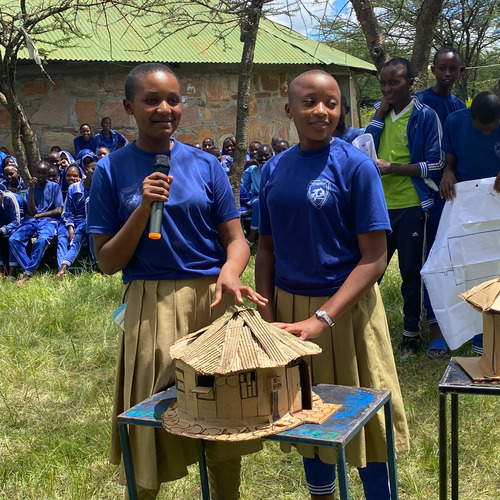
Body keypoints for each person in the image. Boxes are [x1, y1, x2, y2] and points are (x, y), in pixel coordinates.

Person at [87, 62, 267, 500]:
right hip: (151, 306)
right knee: (149, 423)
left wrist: (230, 271)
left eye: (173, 99)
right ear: (129, 107)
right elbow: (107, 261)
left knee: (223, 417)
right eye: (151, 100)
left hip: (211, 302)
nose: (164, 109)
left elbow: (236, 240)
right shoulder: (111, 170)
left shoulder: (207, 166)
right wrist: (142, 209)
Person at [255, 69, 409, 500]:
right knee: (307, 417)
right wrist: (266, 317)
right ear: (289, 109)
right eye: (309, 102)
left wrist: (323, 318)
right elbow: (265, 249)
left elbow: (375, 258)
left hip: (346, 313)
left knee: (366, 423)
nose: (321, 111)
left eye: (331, 103)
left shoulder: (356, 167)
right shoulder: (273, 170)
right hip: (290, 316)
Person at [365, 57, 444, 356]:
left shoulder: (425, 115)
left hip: (412, 206)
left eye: (394, 83)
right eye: (383, 83)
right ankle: (366, 328)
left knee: (412, 274)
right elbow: (363, 150)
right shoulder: (379, 112)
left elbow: (436, 164)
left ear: (410, 83)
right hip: (378, 207)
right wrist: (378, 115)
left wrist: (393, 168)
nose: (387, 89)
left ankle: (411, 334)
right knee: (370, 271)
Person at [439, 91, 500, 355]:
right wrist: (448, 172)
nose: (486, 133)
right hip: (468, 206)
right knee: (474, 267)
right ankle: (479, 331)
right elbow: (450, 163)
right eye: (481, 127)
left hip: (498, 203)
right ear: (470, 115)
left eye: (492, 128)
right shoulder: (455, 121)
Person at [416, 46, 466, 357]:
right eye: (442, 68)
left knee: (457, 261)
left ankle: (463, 323)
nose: (447, 73)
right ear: (433, 69)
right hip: (425, 196)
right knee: (431, 261)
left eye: (453, 68)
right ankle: (434, 326)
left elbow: (460, 153)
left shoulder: (460, 108)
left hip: (456, 197)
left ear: (460, 71)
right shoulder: (419, 103)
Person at [9, 160, 63, 287]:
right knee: (14, 239)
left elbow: (58, 210)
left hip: (49, 221)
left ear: (48, 173)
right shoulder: (30, 189)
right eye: (38, 172)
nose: (41, 175)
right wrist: (32, 189)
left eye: (44, 173)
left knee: (42, 239)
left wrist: (38, 215)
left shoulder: (54, 187)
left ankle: (27, 273)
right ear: (34, 173)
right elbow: (32, 211)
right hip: (32, 221)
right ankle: (30, 271)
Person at [56, 161, 95, 278]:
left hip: (87, 221)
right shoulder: (74, 188)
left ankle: (63, 268)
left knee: (76, 239)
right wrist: (70, 227)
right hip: (70, 220)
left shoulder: (99, 188)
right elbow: (67, 211)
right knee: (63, 238)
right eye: (93, 169)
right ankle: (60, 268)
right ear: (86, 170)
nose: (95, 172)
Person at [242, 143, 272, 245]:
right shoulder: (253, 170)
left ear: (272, 155)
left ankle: (252, 237)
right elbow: (244, 183)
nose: (263, 158)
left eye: (266, 155)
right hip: (257, 198)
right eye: (260, 156)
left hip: (272, 198)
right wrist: (247, 163)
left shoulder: (276, 168)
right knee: (259, 203)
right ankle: (253, 236)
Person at [0, 184, 24, 279]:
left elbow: (17, 221)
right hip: (5, 221)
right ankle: (1, 270)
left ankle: (12, 271)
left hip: (22, 220)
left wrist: (2, 230)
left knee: (13, 237)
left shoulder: (10, 198)